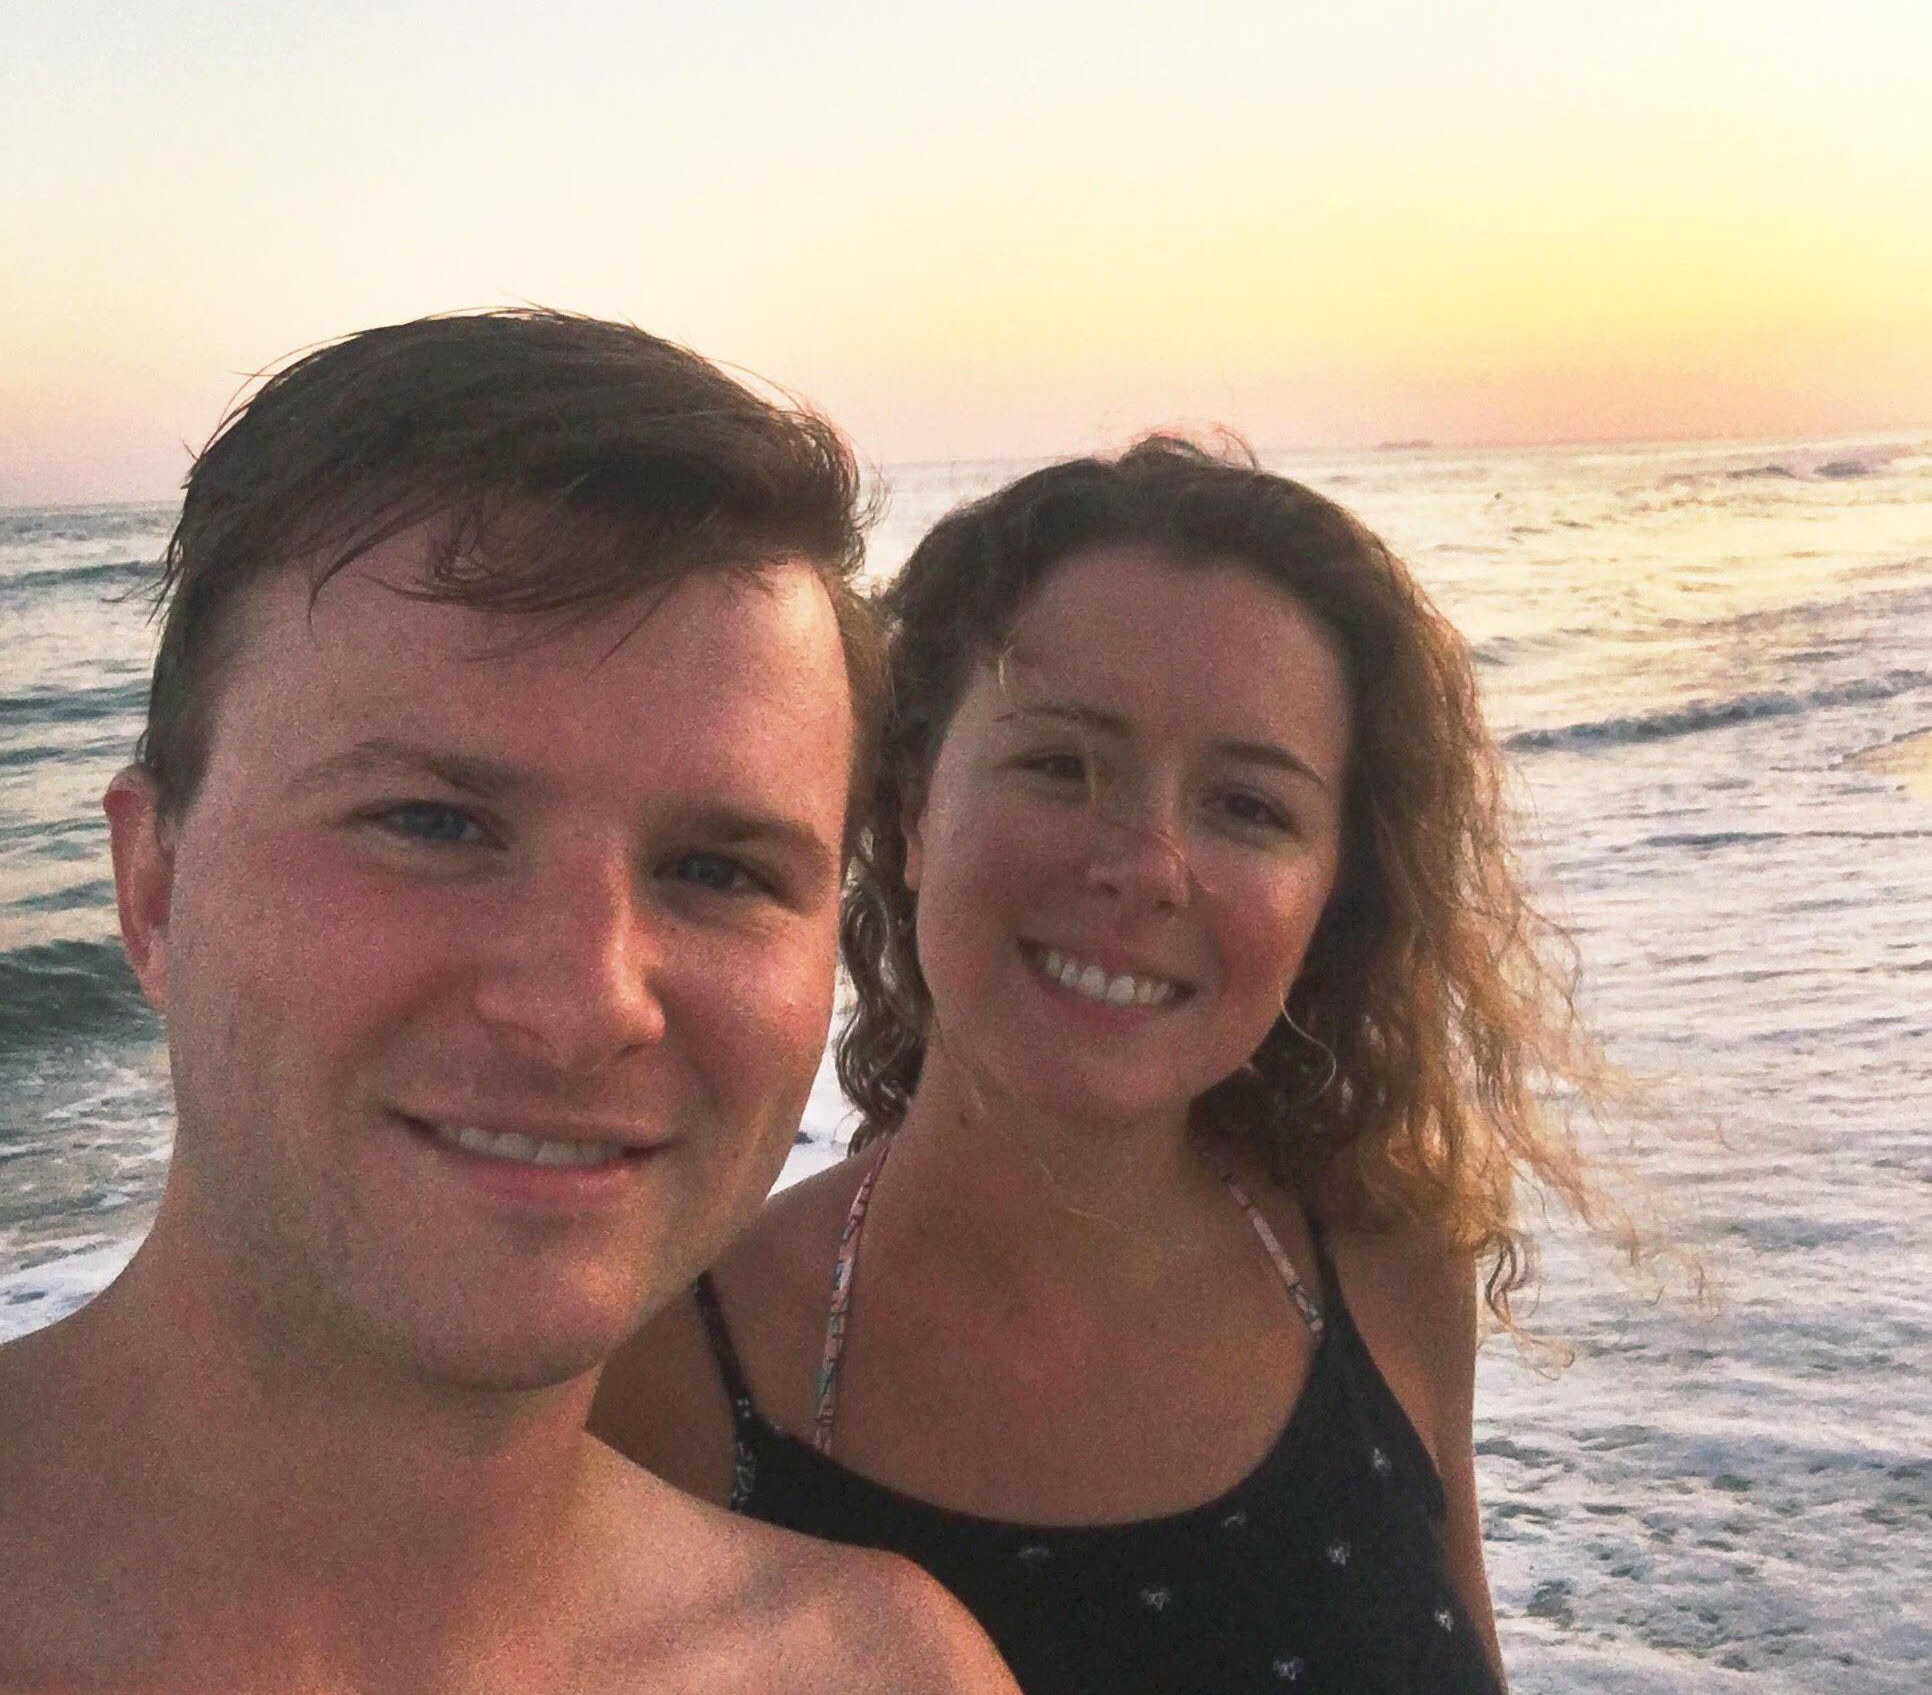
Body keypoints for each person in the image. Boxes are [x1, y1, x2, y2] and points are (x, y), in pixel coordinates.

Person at [0, 311, 1017, 1695]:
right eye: (431, 823)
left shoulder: (879, 1673)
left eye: (717, 870)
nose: (586, 1004)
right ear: (155, 890)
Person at [596, 436, 1628, 1693]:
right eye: (1061, 766)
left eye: (1248, 806)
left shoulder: (1385, 1269)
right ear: (913, 813)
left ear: (1330, 896)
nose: (1145, 867)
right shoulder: (666, 1367)